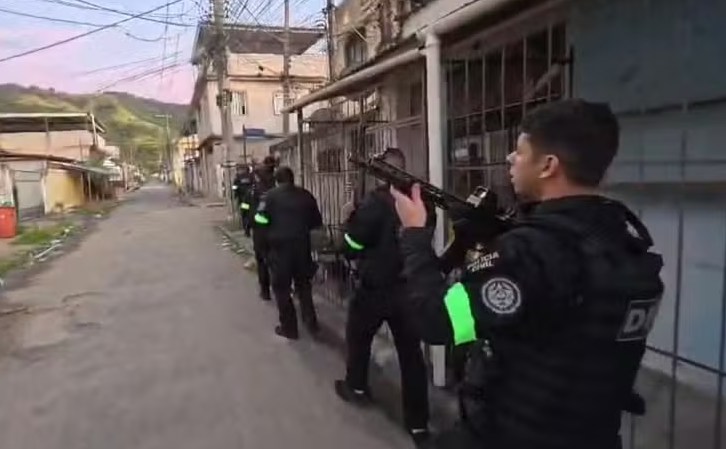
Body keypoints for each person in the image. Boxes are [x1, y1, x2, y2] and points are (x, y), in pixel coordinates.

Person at [390, 99, 664, 449]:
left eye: (519, 151)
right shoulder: (627, 246)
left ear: (549, 165)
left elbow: (436, 321)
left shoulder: (527, 253)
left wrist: (415, 236)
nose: (510, 159)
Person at [334, 148, 432, 447]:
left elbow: (351, 245)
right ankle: (418, 425)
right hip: (410, 287)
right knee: (412, 356)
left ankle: (358, 387)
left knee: (358, 337)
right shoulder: (422, 201)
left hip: (376, 288)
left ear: (382, 173)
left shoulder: (375, 202)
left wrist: (348, 220)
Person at [253, 166, 323, 340]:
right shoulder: (306, 195)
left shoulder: (268, 198)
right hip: (301, 249)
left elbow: (260, 223)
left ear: (277, 181)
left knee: (282, 289)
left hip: (279, 251)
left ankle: (290, 329)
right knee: (303, 286)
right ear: (292, 179)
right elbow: (316, 223)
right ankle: (311, 322)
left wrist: (263, 249)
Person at [249, 156, 278, 301]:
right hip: (276, 230)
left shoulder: (257, 187)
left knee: (262, 262)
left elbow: (252, 210)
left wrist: (249, 226)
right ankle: (281, 289)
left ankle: (265, 291)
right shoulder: (277, 185)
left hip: (261, 232)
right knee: (277, 261)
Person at [232, 164, 254, 237]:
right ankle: (251, 227)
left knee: (245, 214)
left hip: (243, 200)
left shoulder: (238, 178)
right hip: (251, 200)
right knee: (251, 213)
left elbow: (234, 187)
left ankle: (246, 229)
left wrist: (236, 194)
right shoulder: (251, 176)